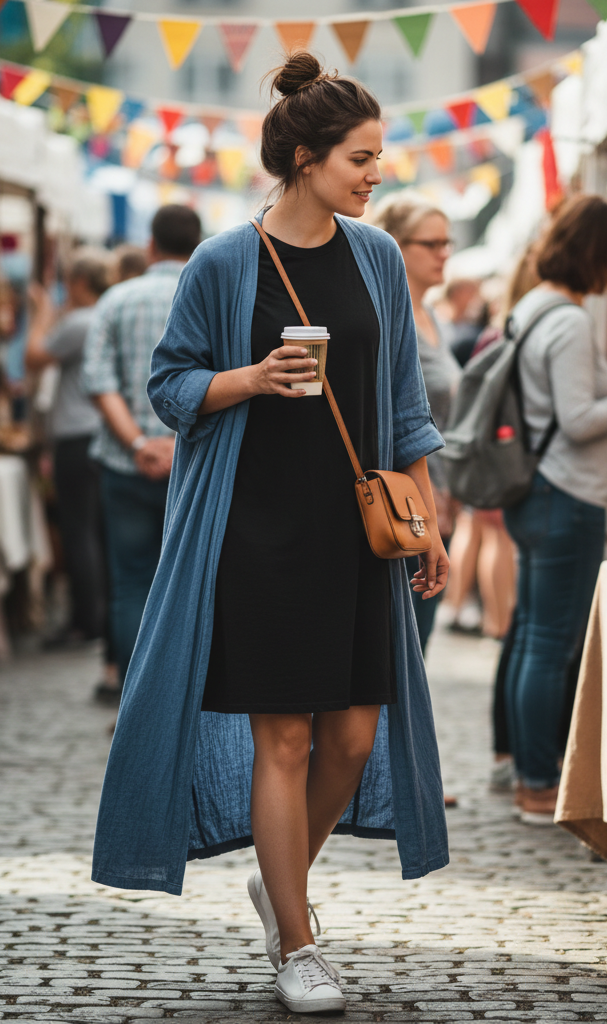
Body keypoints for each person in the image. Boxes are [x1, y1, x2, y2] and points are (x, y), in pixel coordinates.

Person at [90, 52, 450, 1016]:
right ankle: (297, 941)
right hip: (253, 530)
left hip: (355, 534)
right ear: (302, 157)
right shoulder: (221, 262)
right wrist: (250, 379)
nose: (375, 174)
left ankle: (275, 877)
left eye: (379, 157)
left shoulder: (375, 257)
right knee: (283, 741)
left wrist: (427, 520)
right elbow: (169, 387)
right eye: (360, 158)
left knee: (354, 739)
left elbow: (406, 406)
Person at [501, 194, 607, 824]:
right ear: (597, 252)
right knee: (549, 642)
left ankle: (526, 772)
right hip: (564, 493)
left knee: (532, 636)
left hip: (537, 490)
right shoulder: (566, 320)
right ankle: (538, 783)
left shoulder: (531, 305)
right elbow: (579, 419)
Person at [82, 205, 201, 692]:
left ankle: (134, 697)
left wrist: (137, 443)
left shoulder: (115, 299)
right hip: (191, 465)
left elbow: (98, 379)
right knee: (189, 587)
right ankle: (181, 697)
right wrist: (173, 445)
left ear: (150, 245)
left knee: (131, 582)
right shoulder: (205, 295)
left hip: (124, 464)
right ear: (198, 246)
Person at [373, 191, 461, 654]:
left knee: (415, 642)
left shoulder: (431, 316)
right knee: (399, 643)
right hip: (402, 498)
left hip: (438, 494)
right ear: (396, 245)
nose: (444, 252)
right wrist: (427, 501)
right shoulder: (389, 313)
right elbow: (404, 421)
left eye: (448, 242)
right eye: (432, 243)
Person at [25, 248, 112, 656]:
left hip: (75, 437)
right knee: (90, 529)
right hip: (94, 434)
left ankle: (84, 621)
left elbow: (34, 355)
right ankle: (93, 616)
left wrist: (41, 309)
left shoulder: (79, 321)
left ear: (79, 282)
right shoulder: (100, 316)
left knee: (77, 531)